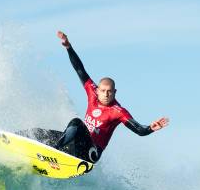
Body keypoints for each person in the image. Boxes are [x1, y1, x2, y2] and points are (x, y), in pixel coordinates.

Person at [54, 31, 169, 163]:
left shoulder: (118, 112)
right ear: (98, 90)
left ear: (115, 92)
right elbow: (80, 69)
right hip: (79, 144)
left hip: (92, 153)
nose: (106, 94)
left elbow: (138, 129)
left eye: (110, 91)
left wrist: (149, 128)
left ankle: (55, 151)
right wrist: (68, 47)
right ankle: (40, 142)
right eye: (103, 90)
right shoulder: (92, 92)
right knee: (48, 133)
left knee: (76, 123)